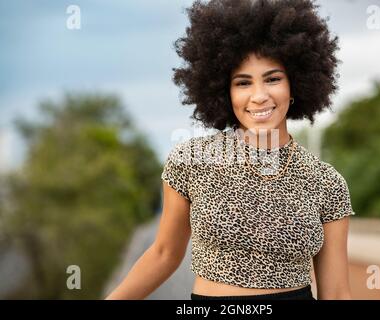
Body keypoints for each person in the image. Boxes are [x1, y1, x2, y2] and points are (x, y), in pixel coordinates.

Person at [105, 0, 355, 300]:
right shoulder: (190, 162)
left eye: (273, 79)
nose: (259, 96)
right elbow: (163, 254)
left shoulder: (326, 183)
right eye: (243, 82)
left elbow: (337, 293)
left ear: (296, 85)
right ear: (224, 91)